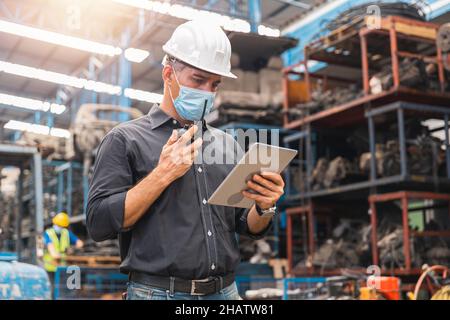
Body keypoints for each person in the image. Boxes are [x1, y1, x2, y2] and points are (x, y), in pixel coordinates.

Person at [86, 19, 285, 300]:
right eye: (197, 80)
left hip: (226, 292)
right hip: (158, 293)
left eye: (214, 84)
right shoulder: (124, 139)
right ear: (168, 74)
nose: (206, 93)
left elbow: (244, 225)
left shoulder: (227, 145)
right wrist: (163, 173)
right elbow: (99, 223)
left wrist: (264, 207)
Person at [43, 211, 84, 283]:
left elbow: (80, 243)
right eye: (58, 225)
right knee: (53, 290)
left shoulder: (66, 233)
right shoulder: (48, 233)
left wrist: (73, 249)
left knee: (62, 290)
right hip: (51, 268)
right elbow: (53, 254)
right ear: (54, 223)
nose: (59, 227)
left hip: (63, 267)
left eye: (61, 226)